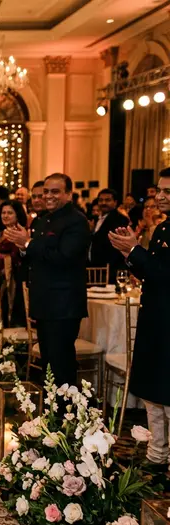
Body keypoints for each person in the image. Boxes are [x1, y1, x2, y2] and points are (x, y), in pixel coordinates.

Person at [4, 173, 91, 387]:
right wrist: (23, 247)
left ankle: (66, 415)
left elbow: (64, 257)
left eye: (55, 191)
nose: (48, 196)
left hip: (64, 303)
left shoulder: (76, 221)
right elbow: (35, 257)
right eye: (46, 192)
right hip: (44, 300)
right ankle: (51, 413)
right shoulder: (42, 221)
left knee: (61, 364)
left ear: (68, 194)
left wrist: (28, 243)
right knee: (49, 364)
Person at [109, 175, 170, 471]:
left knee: (167, 392)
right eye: (159, 190)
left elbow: (164, 274)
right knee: (152, 392)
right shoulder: (161, 229)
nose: (160, 196)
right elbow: (150, 272)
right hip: (154, 318)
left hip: (168, 321)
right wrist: (129, 254)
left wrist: (136, 250)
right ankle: (157, 454)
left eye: (167, 191)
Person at [0, 200, 28, 327]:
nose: (5, 215)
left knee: (11, 312)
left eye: (10, 213)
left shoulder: (19, 233)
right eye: (3, 212)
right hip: (2, 277)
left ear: (17, 215)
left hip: (14, 279)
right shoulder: (3, 232)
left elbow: (15, 256)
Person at [88, 188, 130, 283]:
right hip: (95, 269)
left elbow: (117, 247)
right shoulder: (95, 219)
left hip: (110, 270)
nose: (103, 203)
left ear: (115, 202)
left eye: (107, 200)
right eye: (101, 200)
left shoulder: (120, 219)